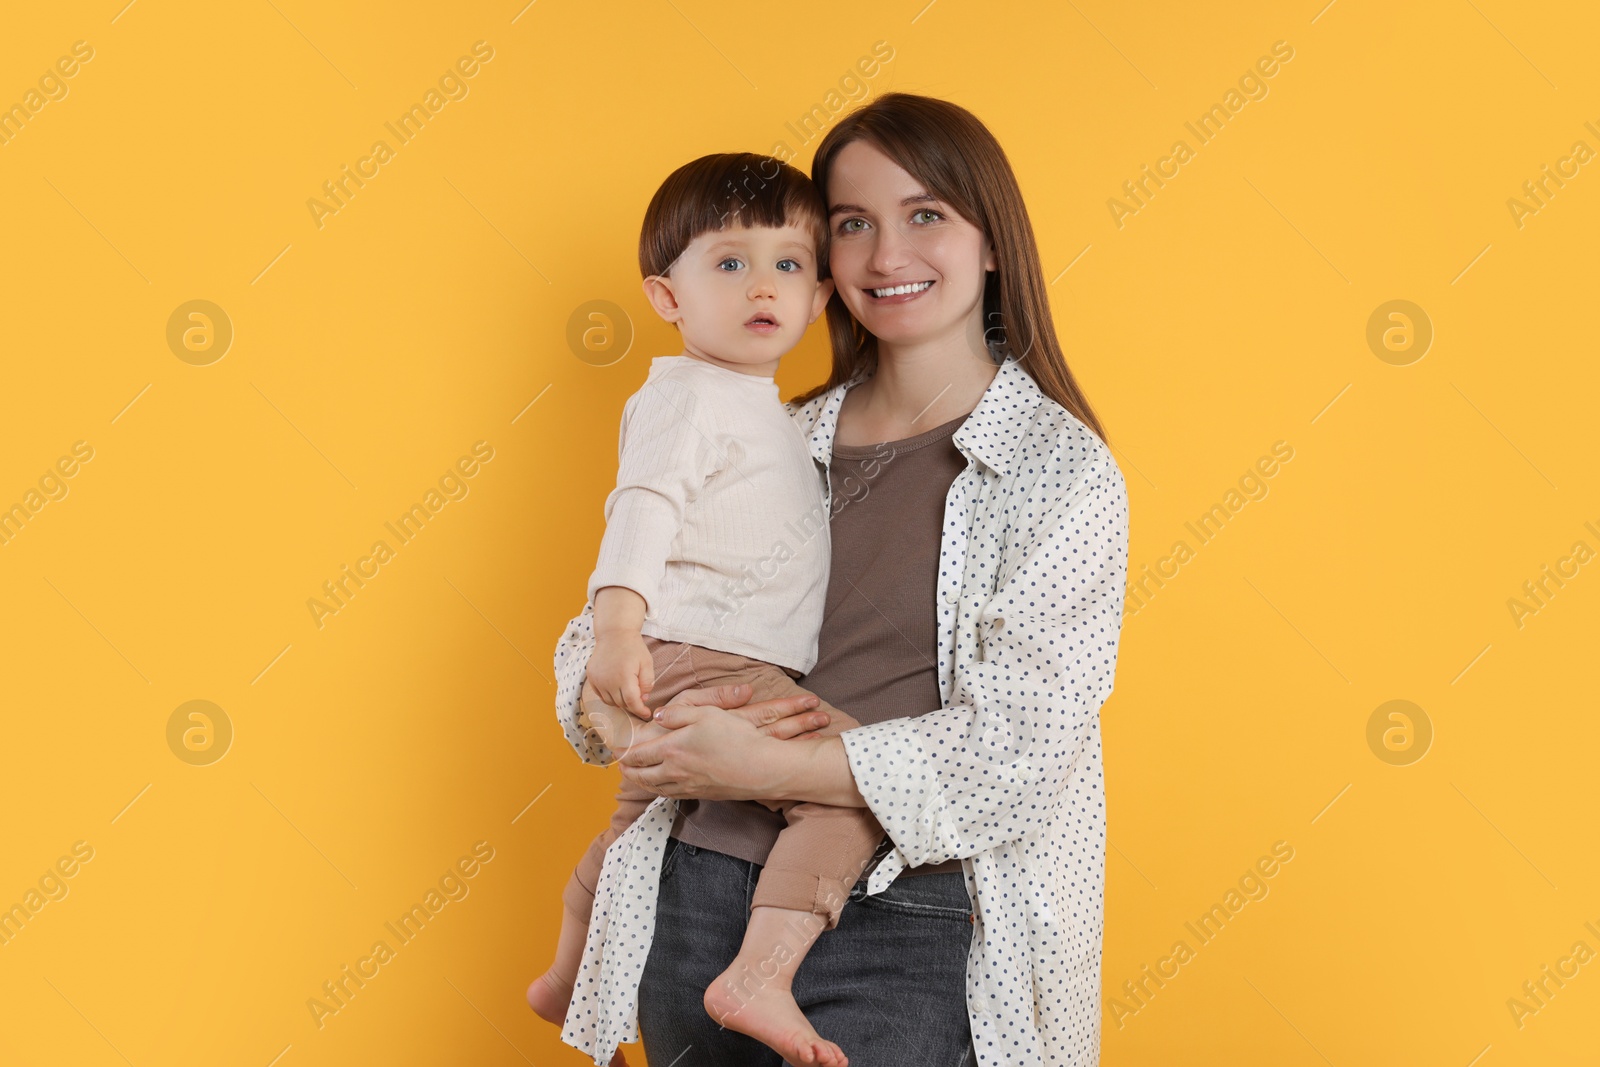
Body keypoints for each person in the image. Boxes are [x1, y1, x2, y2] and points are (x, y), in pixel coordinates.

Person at [554, 92, 1129, 1067]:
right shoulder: (769, 434)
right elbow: (600, 635)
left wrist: (769, 764)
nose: (885, 254)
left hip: (915, 917)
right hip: (693, 894)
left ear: (991, 243)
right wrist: (635, 721)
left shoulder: (1058, 471)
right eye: (852, 225)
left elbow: (1018, 754)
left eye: (925, 215)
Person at [529, 151, 896, 1067]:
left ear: (819, 299)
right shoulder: (689, 396)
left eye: (786, 264)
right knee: (857, 791)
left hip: (714, 652)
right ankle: (759, 976)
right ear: (668, 297)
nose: (760, 286)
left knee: (635, 818)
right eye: (728, 263)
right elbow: (642, 504)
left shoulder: (767, 410)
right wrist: (616, 628)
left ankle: (570, 971)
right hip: (703, 652)